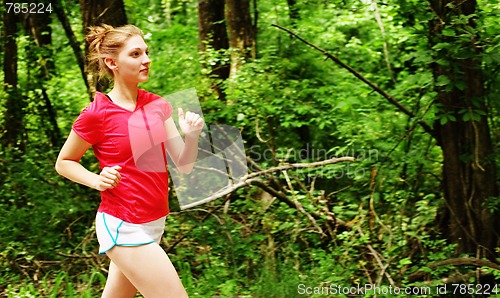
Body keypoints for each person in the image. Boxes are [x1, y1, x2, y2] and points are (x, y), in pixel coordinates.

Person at [55, 24, 203, 298]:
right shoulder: (97, 113)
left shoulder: (157, 105)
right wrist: (97, 180)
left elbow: (183, 164)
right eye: (135, 54)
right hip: (123, 223)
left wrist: (191, 136)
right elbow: (64, 162)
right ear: (111, 62)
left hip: (155, 221)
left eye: (146, 52)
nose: (146, 59)